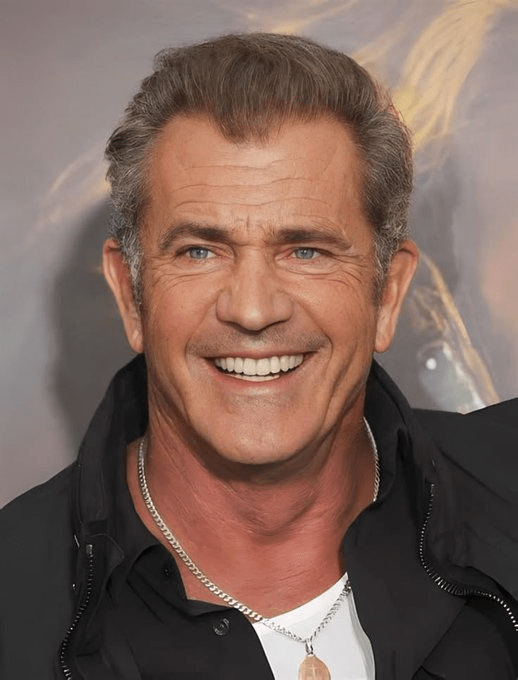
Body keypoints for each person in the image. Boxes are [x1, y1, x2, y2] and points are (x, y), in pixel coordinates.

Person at [1, 33, 517, 680]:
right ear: (131, 295)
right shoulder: (14, 602)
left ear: (387, 293)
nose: (251, 310)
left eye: (306, 250)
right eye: (199, 251)